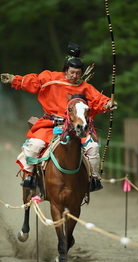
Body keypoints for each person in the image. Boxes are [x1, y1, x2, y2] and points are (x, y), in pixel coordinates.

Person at [1, 42, 117, 191]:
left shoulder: (85, 87)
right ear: (66, 70)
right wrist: (14, 80)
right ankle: (29, 176)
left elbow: (97, 100)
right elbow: (35, 82)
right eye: (72, 72)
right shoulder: (52, 78)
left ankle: (94, 179)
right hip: (51, 124)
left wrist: (108, 104)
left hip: (76, 127)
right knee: (35, 146)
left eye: (78, 73)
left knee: (93, 147)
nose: (74, 76)